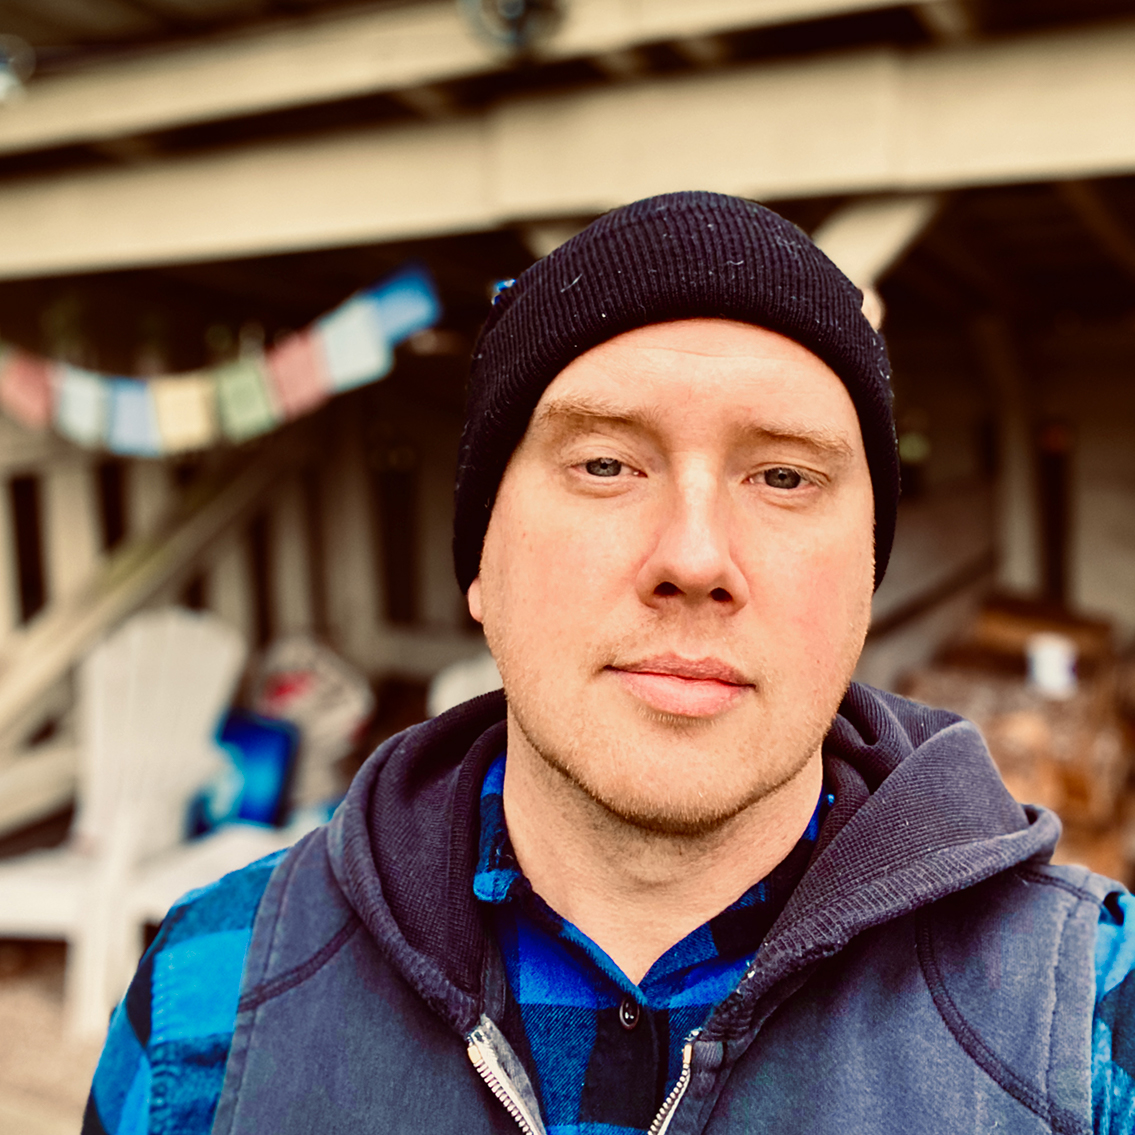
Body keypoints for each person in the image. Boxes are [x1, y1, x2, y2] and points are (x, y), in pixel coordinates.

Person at [84, 192, 1135, 1135]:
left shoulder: (1085, 1015)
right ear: (480, 563)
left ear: (863, 580)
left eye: (781, 474)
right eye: (602, 463)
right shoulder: (208, 1001)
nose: (692, 556)